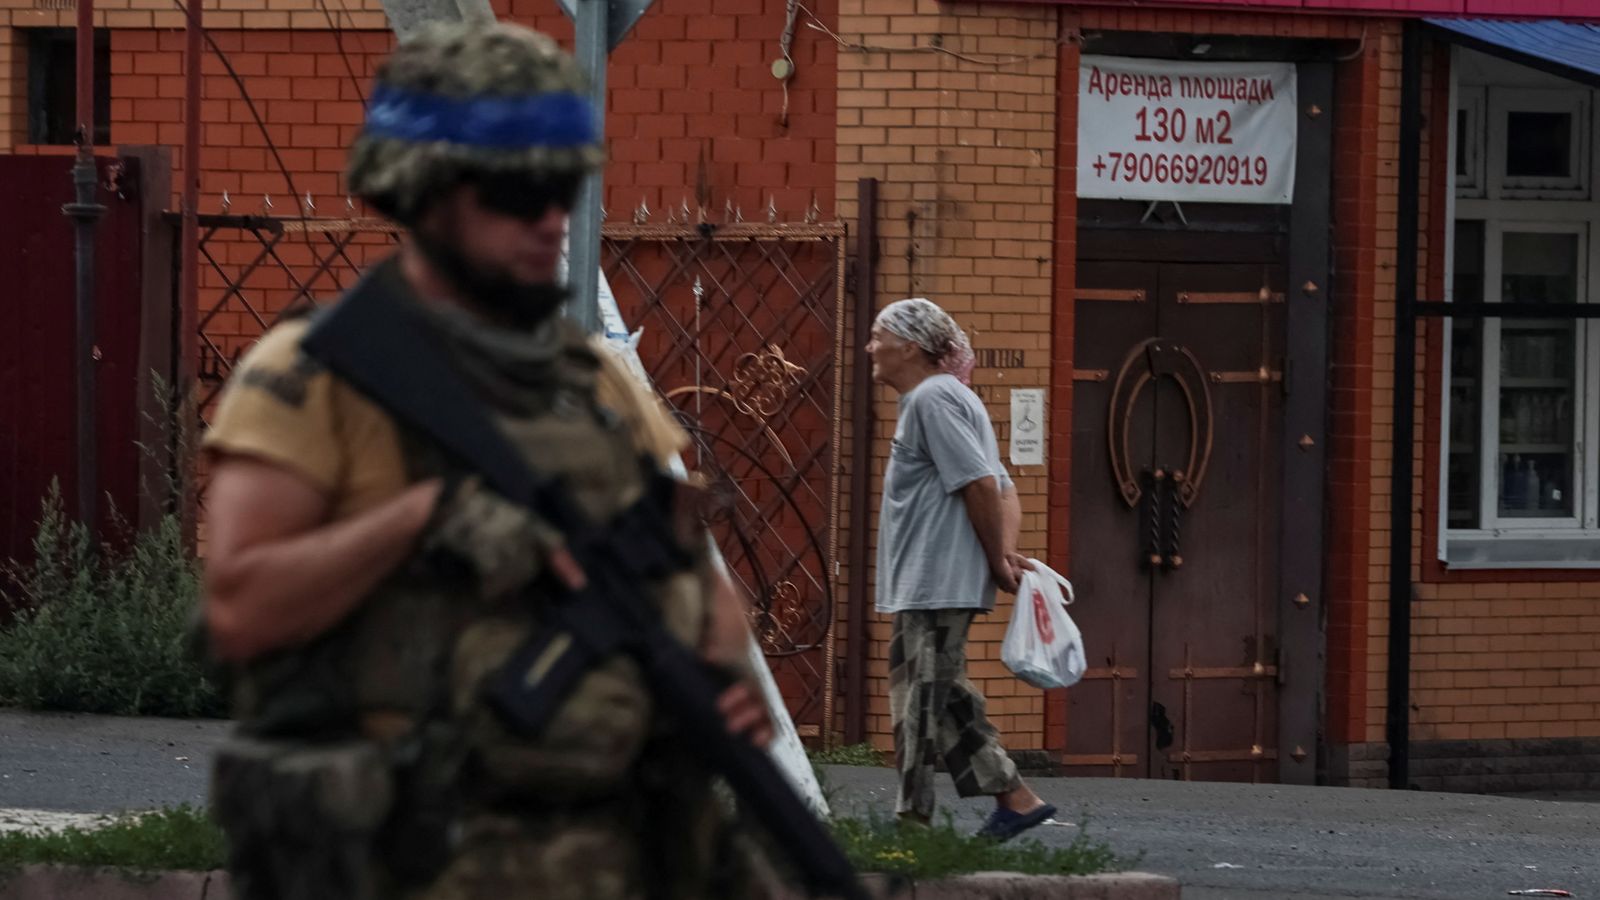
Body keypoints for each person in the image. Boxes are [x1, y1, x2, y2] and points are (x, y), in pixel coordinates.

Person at [199, 22, 776, 900]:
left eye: (563, 186)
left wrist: (718, 676)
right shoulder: (317, 377)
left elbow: (694, 569)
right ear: (426, 193)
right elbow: (242, 608)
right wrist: (421, 518)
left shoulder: (594, 386)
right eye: (518, 191)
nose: (552, 217)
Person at [867, 297, 1056, 841]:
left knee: (917, 703)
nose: (870, 347)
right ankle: (1016, 799)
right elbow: (1002, 486)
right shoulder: (947, 397)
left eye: (878, 336)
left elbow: (980, 485)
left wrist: (999, 558)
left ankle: (912, 826)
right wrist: (1001, 551)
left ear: (909, 345)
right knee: (945, 695)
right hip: (932, 581)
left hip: (935, 581)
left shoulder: (933, 398)